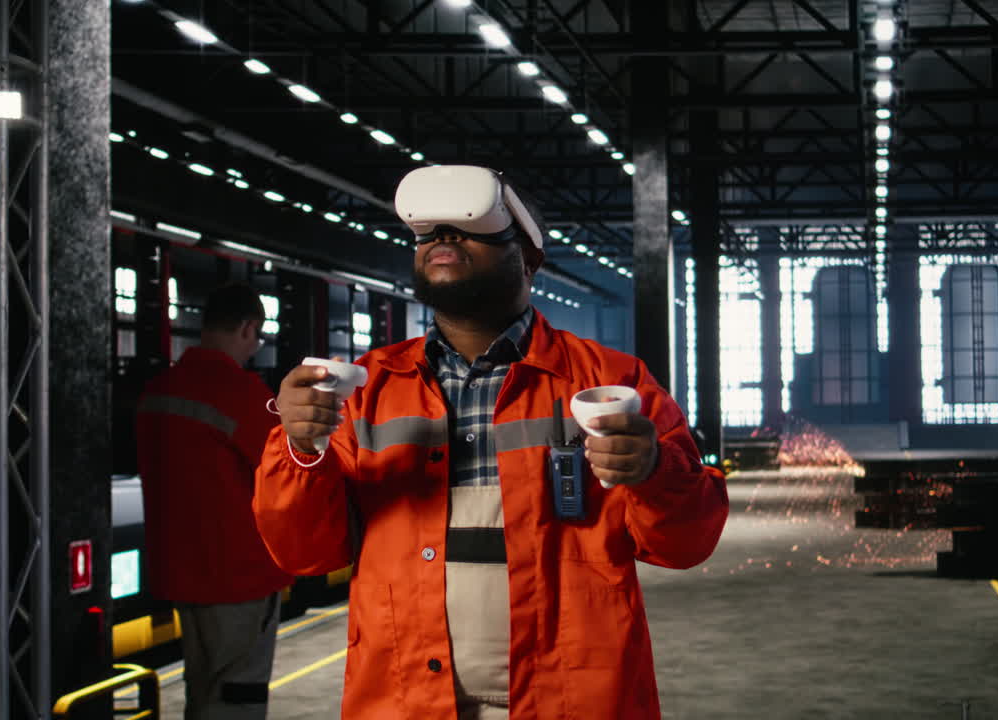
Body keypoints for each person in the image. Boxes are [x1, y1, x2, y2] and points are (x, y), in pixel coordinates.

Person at [253, 166, 729, 719]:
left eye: (469, 227)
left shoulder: (611, 384)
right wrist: (301, 449)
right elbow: (304, 553)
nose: (443, 239)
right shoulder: (362, 391)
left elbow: (686, 544)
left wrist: (653, 470)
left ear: (528, 258)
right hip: (407, 700)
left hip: (572, 701)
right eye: (429, 232)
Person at [135, 282, 292, 720]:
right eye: (256, 336)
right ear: (247, 327)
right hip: (238, 578)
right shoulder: (244, 395)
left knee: (200, 692)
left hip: (181, 573)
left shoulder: (158, 391)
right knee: (236, 698)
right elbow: (290, 472)